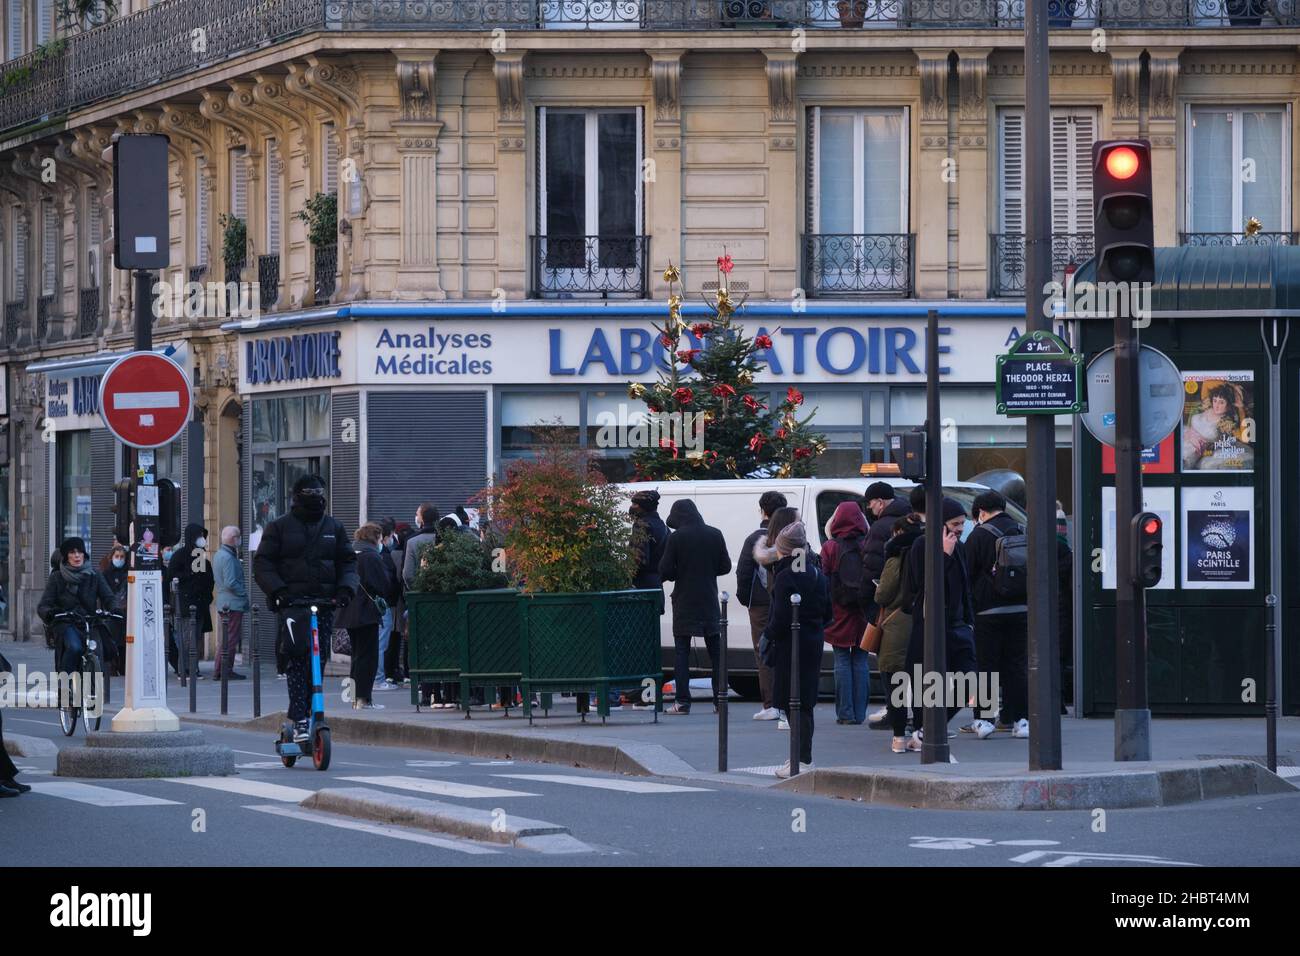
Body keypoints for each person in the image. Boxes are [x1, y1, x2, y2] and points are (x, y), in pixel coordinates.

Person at [253, 474, 358, 743]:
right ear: (297, 496)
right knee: (298, 660)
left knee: (318, 659)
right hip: (293, 605)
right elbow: (263, 564)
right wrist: (279, 592)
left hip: (323, 604)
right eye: (309, 492)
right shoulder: (279, 528)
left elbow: (347, 562)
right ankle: (299, 717)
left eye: (318, 492)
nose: (315, 496)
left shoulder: (333, 527)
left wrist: (346, 590)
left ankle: (312, 712)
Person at [902, 494, 977, 757]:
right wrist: (944, 557)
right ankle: (926, 730)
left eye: (962, 523)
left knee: (970, 681)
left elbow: (966, 586)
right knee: (929, 683)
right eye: (955, 523)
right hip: (931, 626)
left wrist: (969, 621)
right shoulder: (922, 545)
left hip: (958, 626)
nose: (959, 528)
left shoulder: (961, 546)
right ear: (941, 522)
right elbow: (922, 586)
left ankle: (931, 728)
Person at [765, 521, 833, 778]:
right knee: (804, 703)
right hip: (812, 643)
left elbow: (781, 618)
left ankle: (801, 759)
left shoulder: (784, 576)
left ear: (784, 550)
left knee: (794, 702)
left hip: (790, 646)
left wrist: (768, 635)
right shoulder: (816, 573)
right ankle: (801, 757)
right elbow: (828, 613)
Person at [963, 489, 1029, 740]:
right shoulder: (1022, 532)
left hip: (987, 611)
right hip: (1021, 609)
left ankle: (985, 719)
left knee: (986, 666)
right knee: (1017, 666)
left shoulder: (978, 536)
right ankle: (1020, 719)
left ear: (980, 512)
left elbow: (966, 573)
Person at [659, 498, 731, 715]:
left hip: (685, 600)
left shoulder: (677, 537)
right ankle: (721, 700)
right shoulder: (714, 534)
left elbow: (665, 570)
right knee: (716, 652)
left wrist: (679, 571)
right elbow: (725, 566)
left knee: (682, 653)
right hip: (709, 599)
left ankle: (682, 702)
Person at [734, 490, 786, 720]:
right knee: (786, 648)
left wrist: (746, 599)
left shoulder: (755, 538)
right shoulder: (791, 536)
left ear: (762, 510)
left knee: (763, 649)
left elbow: (744, 571)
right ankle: (786, 702)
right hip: (787, 601)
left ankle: (771, 704)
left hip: (761, 601)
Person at [819, 500, 871, 725]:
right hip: (862, 610)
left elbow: (823, 578)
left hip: (838, 610)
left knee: (841, 659)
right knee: (861, 660)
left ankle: (845, 713)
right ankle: (860, 713)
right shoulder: (867, 543)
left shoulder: (830, 547)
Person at [752, 505, 804, 730]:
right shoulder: (797, 556)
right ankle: (784, 711)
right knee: (785, 663)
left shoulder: (768, 555)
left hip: (777, 609)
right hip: (782, 610)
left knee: (782, 662)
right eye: (797, 521)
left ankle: (781, 709)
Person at [336, 523, 397, 710]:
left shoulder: (350, 553)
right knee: (368, 656)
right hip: (366, 612)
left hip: (348, 611)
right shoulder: (372, 556)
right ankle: (364, 698)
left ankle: (353, 698)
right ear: (375, 537)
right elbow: (382, 584)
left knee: (356, 656)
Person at [876, 513, 924, 752]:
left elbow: (882, 594)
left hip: (898, 624)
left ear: (898, 533)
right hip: (924, 622)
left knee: (895, 680)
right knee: (922, 681)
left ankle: (898, 737)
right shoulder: (930, 552)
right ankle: (921, 733)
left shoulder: (897, 557)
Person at [38, 537, 114, 679]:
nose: (77, 555)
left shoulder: (95, 575)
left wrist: (114, 609)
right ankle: (65, 687)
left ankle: (94, 688)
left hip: (89, 621)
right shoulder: (57, 577)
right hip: (66, 622)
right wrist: (51, 612)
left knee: (99, 650)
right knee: (74, 647)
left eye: (80, 552)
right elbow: (43, 605)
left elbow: (108, 597)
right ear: (66, 556)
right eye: (72, 552)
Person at [168, 524, 215, 680]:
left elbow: (206, 579)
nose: (202, 539)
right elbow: (173, 576)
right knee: (187, 639)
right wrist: (189, 575)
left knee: (195, 638)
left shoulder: (201, 557)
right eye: (199, 535)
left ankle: (193, 668)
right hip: (186, 605)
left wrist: (207, 597)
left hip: (200, 604)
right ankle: (185, 670)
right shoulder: (180, 556)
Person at [862, 481, 912, 608]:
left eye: (870, 503)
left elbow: (873, 566)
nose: (868, 507)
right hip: (908, 596)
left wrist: (865, 597)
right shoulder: (909, 520)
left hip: (886, 597)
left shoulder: (879, 527)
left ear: (880, 502)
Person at [212, 526, 249, 681]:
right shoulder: (228, 557)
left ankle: (220, 669)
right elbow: (231, 582)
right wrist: (243, 593)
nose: (240, 540)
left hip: (223, 602)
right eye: (239, 537)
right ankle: (225, 670)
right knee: (231, 638)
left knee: (225, 638)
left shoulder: (219, 554)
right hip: (232, 603)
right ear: (234, 539)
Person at [98, 544, 129, 676]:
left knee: (124, 641)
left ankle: (123, 667)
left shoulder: (128, 572)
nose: (119, 559)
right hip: (110, 612)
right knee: (112, 639)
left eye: (122, 557)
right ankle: (112, 667)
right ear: (111, 557)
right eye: (117, 556)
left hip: (126, 610)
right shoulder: (105, 573)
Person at [629, 489, 668, 592]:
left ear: (644, 507)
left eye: (634, 504)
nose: (632, 507)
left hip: (642, 586)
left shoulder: (641, 525)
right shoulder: (663, 527)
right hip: (657, 584)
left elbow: (637, 559)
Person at [402, 503, 440, 590]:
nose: (416, 517)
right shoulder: (447, 539)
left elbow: (408, 574)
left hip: (420, 596)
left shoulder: (412, 542)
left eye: (417, 514)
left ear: (422, 519)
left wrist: (416, 590)